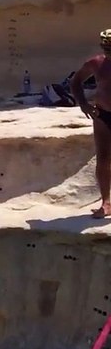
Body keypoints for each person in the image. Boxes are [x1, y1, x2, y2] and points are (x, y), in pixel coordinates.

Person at [71, 29, 111, 218]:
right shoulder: (97, 63)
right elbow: (75, 82)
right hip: (103, 115)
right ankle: (106, 202)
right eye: (107, 47)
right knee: (103, 159)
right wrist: (84, 105)